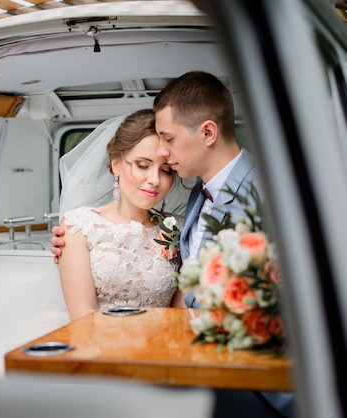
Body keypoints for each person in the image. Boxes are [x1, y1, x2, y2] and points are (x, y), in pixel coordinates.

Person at [51, 71, 293, 418]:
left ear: (208, 133)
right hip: (179, 362)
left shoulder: (269, 195)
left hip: (254, 377)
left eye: (167, 144)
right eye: (143, 163)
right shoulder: (196, 196)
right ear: (115, 164)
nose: (161, 165)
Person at [57, 109, 187, 321]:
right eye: (142, 165)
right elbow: (82, 317)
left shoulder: (180, 229)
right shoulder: (79, 226)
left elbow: (181, 313)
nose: (154, 179)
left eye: (165, 170)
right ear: (116, 164)